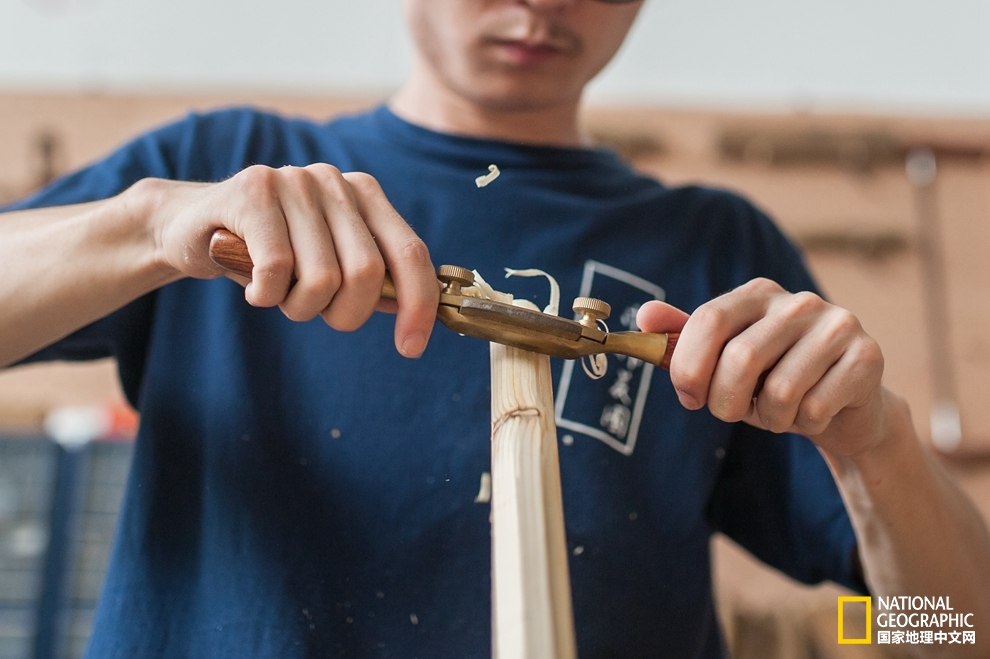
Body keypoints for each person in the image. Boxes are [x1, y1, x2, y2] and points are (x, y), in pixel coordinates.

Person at [2, 0, 988, 657]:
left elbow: (944, 629)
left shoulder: (719, 251)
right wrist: (140, 226)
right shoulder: (225, 168)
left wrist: (878, 445)